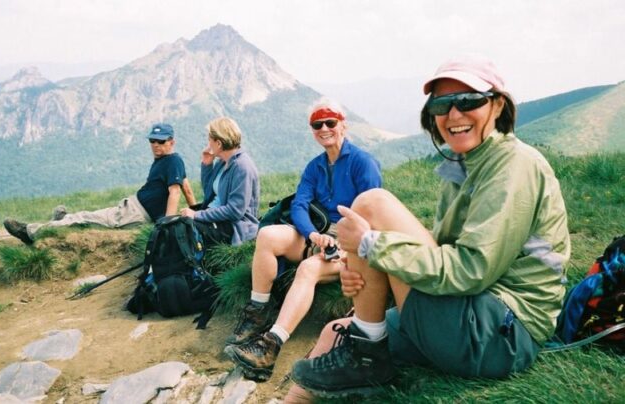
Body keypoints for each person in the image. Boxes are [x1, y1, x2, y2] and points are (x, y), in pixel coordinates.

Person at [287, 55, 571, 400]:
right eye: (441, 103)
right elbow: (438, 250)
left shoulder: (514, 166)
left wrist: (371, 247)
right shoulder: (463, 164)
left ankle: (366, 355)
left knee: (373, 204)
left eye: (468, 101)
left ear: (497, 106)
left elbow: (470, 270)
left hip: (502, 331)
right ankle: (360, 353)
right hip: (472, 311)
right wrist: (366, 272)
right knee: (335, 330)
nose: (453, 114)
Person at [223, 98, 382, 381]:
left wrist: (346, 248)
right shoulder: (315, 166)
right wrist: (312, 234)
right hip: (318, 235)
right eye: (317, 124)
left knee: (309, 269)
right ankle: (257, 311)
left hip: (350, 243)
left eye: (330, 122)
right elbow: (299, 204)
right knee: (268, 235)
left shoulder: (363, 163)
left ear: (343, 125)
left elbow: (372, 212)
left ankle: (270, 346)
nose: (324, 128)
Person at [3, 123, 197, 245]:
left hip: (136, 214)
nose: (155, 145)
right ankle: (63, 220)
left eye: (161, 142)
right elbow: (186, 188)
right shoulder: (171, 161)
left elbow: (175, 192)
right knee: (91, 218)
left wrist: (167, 223)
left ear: (172, 142)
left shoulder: (172, 160)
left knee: (86, 219)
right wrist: (197, 212)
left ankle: (30, 232)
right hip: (133, 208)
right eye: (152, 141)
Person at [180, 117, 260, 247]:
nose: (208, 142)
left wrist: (197, 215)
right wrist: (207, 165)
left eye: (210, 139)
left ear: (218, 143)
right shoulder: (223, 162)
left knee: (183, 232)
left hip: (234, 226)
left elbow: (235, 211)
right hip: (216, 216)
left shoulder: (242, 167)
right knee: (174, 226)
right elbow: (208, 194)